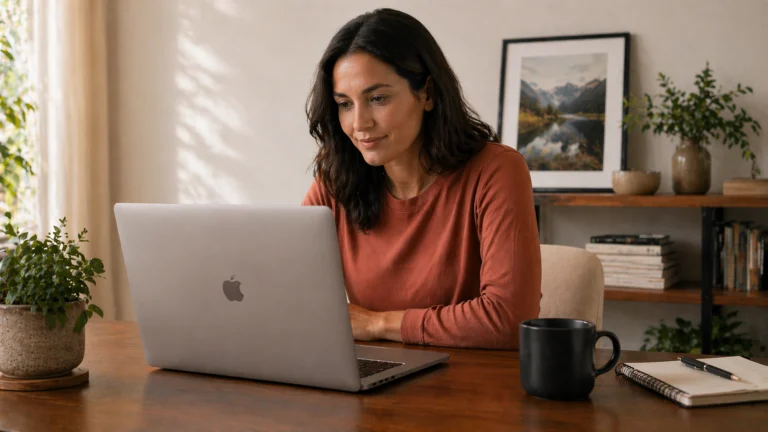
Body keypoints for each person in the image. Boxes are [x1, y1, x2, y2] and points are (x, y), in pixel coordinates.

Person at [302, 8, 540, 350]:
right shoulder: (335, 181)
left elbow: (509, 319)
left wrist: (377, 322)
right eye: (344, 104)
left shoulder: (496, 171)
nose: (359, 123)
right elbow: (289, 296)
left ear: (427, 93)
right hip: (371, 386)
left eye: (377, 98)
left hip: (474, 389)